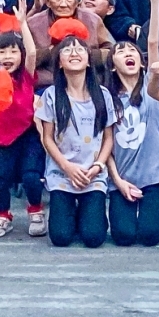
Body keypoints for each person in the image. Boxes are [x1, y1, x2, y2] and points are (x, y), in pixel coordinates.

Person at [34, 25, 114, 248]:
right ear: (59, 62)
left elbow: (108, 138)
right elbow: (47, 138)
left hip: (93, 174)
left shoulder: (103, 94)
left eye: (80, 49)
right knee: (60, 238)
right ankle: (72, 212)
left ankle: (88, 214)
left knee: (93, 237)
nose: (74, 53)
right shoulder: (51, 95)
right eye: (67, 50)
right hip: (62, 174)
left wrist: (98, 166)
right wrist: (67, 167)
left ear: (89, 61)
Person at [0, 6, 45, 238]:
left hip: (28, 134)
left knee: (30, 175)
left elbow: (31, 53)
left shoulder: (27, 77)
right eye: (2, 52)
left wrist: (22, 23)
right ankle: (3, 215)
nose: (8, 57)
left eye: (12, 52)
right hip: (1, 138)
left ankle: (36, 210)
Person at [105, 37, 159, 246]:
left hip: (153, 176)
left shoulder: (152, 89)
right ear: (113, 66)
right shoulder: (106, 97)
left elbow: (153, 43)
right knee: (123, 237)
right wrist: (118, 182)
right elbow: (104, 147)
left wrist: (153, 3)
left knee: (150, 236)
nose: (128, 54)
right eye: (121, 52)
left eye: (132, 51)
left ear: (142, 62)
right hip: (121, 178)